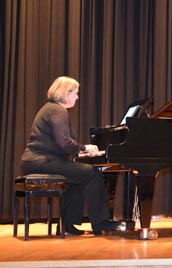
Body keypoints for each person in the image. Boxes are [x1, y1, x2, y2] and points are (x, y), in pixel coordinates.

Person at [21, 76, 123, 236]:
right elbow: (63, 142)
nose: (77, 97)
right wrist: (83, 148)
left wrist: (81, 150)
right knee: (92, 173)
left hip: (36, 161)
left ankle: (67, 225)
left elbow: (61, 142)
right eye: (75, 93)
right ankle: (101, 222)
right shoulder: (57, 110)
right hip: (42, 161)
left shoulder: (50, 108)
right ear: (66, 93)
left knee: (78, 175)